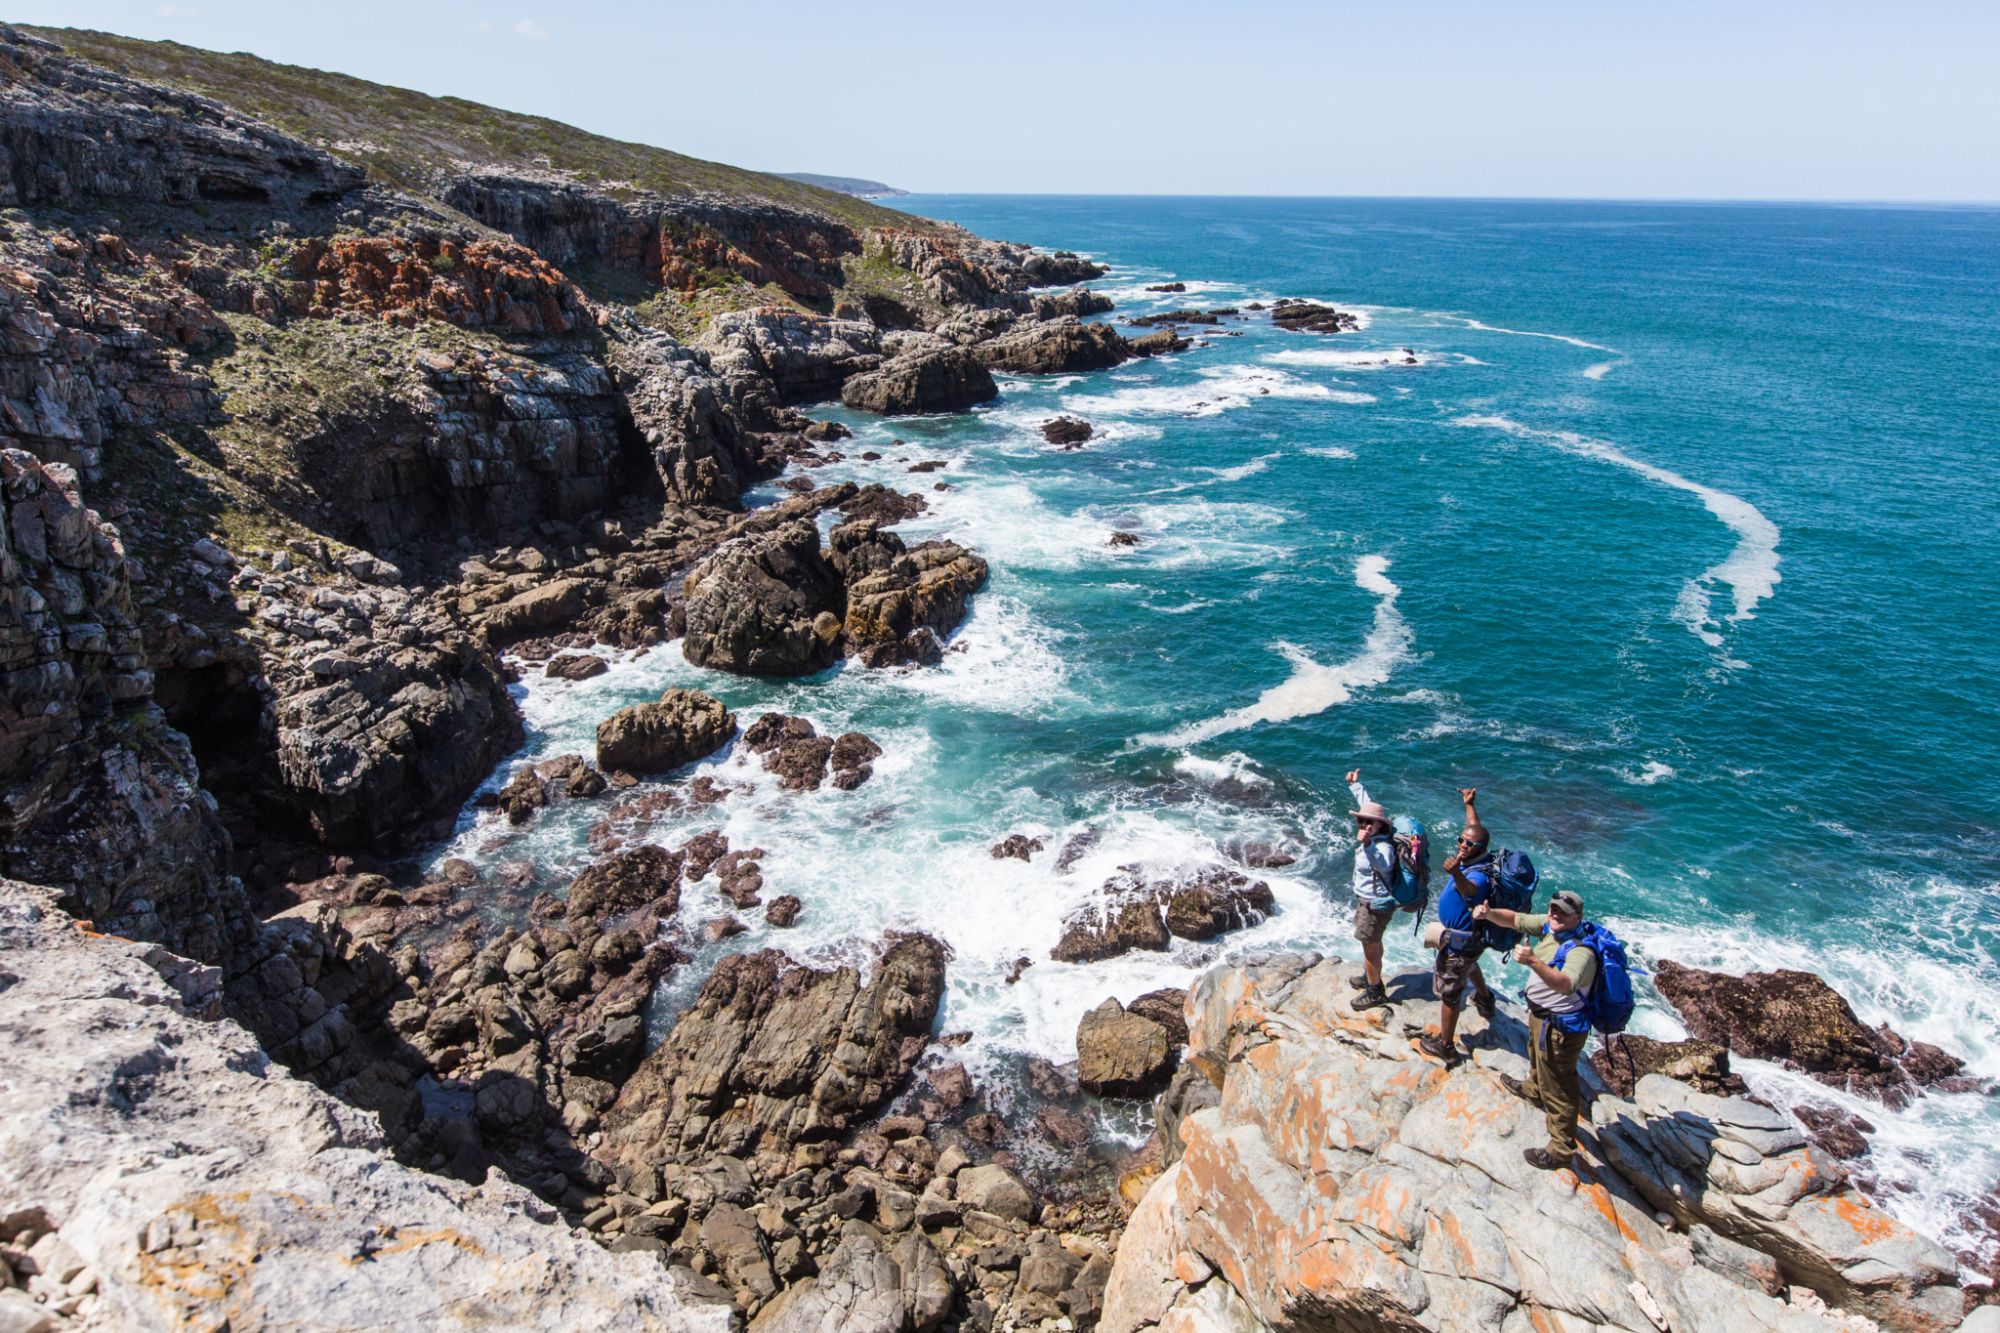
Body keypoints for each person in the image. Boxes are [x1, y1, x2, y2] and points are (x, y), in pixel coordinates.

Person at [1473, 889, 1596, 1170]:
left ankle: (1560, 1149)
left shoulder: (1581, 951)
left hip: (1560, 1027)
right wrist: (1489, 914)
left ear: (1577, 917)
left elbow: (1566, 984)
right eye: (1553, 908)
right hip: (1543, 1018)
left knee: (1559, 1084)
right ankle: (1533, 1089)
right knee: (1537, 1057)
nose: (1555, 914)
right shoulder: (1550, 926)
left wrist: (1533, 962)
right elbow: (1516, 919)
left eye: (1563, 912)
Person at [1417, 787, 1498, 1062]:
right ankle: (1485, 997)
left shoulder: (1479, 875)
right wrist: (1470, 804)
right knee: (1470, 966)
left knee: (1450, 993)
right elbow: (1474, 828)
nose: (1463, 845)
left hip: (1461, 944)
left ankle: (1446, 1046)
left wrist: (1455, 873)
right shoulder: (1477, 853)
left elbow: (1471, 892)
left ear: (1481, 848)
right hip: (1471, 941)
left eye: (1469, 844)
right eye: (1460, 840)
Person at [1343, 769, 1402, 1011]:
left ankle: (1375, 991)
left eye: (1369, 823)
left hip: (1375, 904)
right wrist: (1356, 785)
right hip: (1366, 900)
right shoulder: (1374, 834)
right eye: (1361, 821)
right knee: (1372, 943)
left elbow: (1384, 865)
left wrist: (1367, 844)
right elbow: (1366, 806)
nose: (1364, 825)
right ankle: (1370, 976)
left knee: (1370, 945)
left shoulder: (1383, 846)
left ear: (1381, 826)